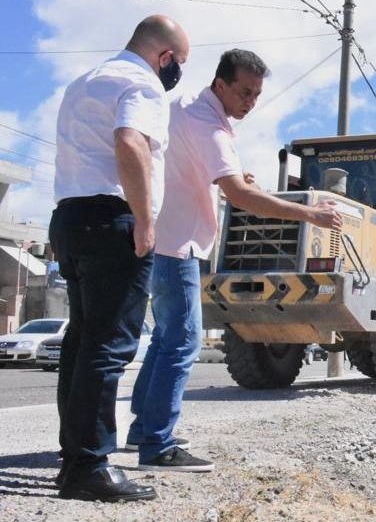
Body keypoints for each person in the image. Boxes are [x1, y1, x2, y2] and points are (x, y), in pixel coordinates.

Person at [127, 49, 342, 472]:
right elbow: (240, 198)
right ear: (221, 84)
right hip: (179, 244)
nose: (251, 102)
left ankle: (142, 427)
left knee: (165, 338)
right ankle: (157, 445)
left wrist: (232, 177)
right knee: (183, 341)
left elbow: (186, 165)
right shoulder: (211, 126)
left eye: (258, 94)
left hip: (160, 235)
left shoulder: (182, 106)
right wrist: (311, 215)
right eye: (244, 92)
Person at [49, 15, 189, 502]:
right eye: (180, 64)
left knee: (82, 343)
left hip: (69, 218)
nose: (177, 75)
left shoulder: (85, 81)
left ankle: (75, 462)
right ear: (164, 56)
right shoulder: (142, 83)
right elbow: (130, 141)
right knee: (107, 347)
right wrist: (146, 220)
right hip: (113, 221)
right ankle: (89, 466)